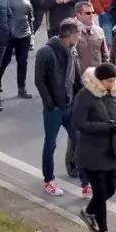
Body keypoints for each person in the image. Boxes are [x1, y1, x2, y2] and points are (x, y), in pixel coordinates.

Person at [73, 62, 116, 232]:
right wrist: (105, 127)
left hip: (110, 150)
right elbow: (80, 123)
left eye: (113, 81)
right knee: (101, 193)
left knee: (110, 189)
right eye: (107, 81)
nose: (111, 84)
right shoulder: (85, 96)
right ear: (98, 80)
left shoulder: (115, 94)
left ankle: (88, 212)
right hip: (91, 152)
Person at [35, 19, 90, 197]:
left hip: (70, 105)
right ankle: (48, 180)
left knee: (79, 141)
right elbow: (40, 80)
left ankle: (86, 182)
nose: (80, 37)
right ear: (71, 35)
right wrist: (50, 103)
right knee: (50, 144)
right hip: (55, 109)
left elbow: (75, 78)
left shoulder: (72, 51)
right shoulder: (46, 52)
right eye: (78, 34)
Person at [0, 0, 35, 99]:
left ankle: (22, 88)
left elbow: (30, 15)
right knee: (5, 60)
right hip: (9, 34)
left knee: (22, 62)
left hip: (24, 33)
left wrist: (32, 34)